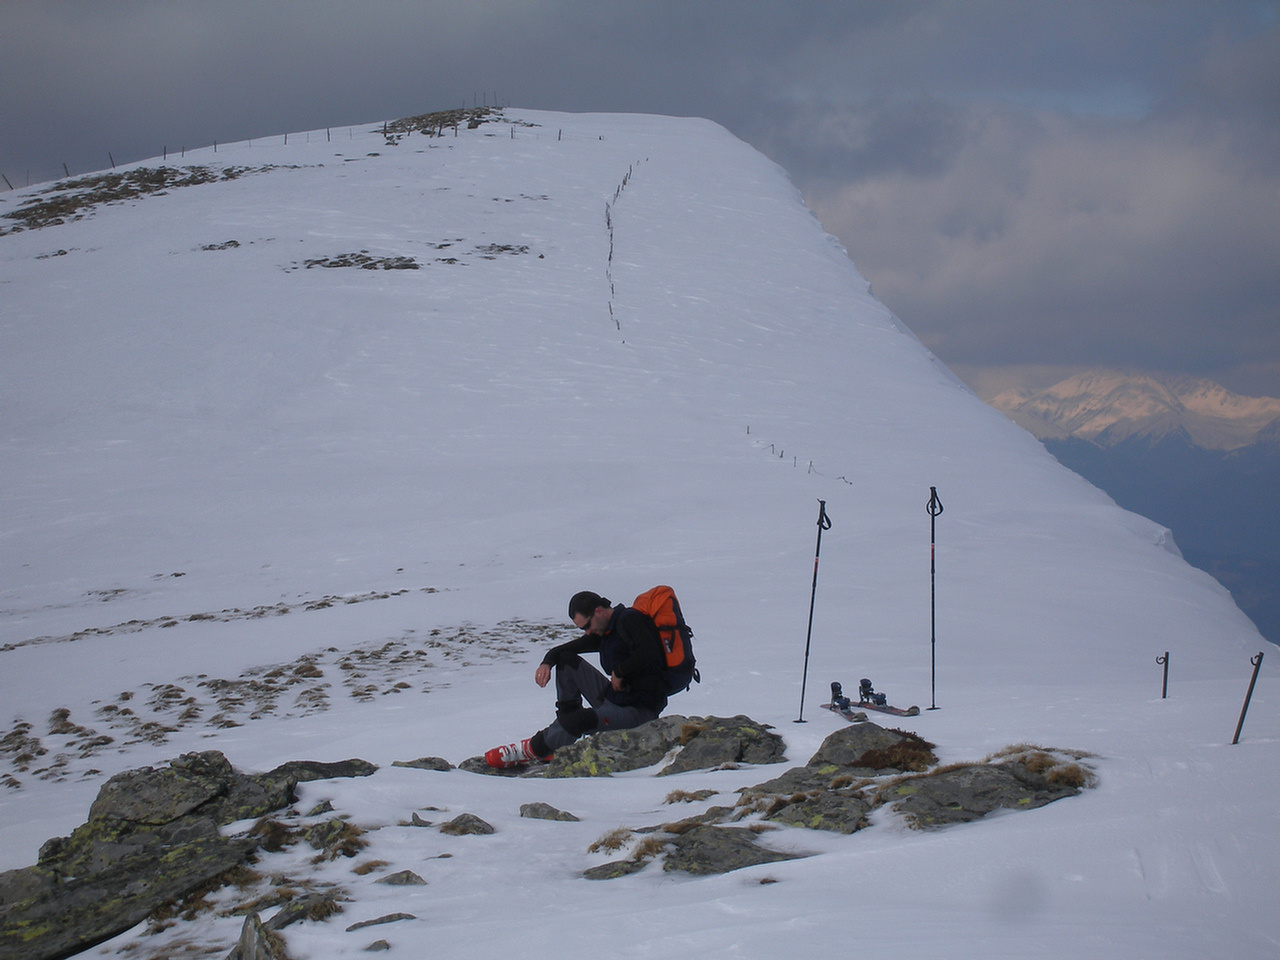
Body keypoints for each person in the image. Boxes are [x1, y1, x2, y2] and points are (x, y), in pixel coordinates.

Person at [484, 590, 670, 768]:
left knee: (581, 720)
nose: (587, 632)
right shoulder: (606, 630)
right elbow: (567, 649)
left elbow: (650, 653)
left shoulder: (630, 620)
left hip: (638, 712)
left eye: (587, 626)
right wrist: (547, 662)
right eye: (583, 629)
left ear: (598, 611)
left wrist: (620, 672)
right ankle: (561, 737)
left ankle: (533, 749)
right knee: (567, 659)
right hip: (617, 698)